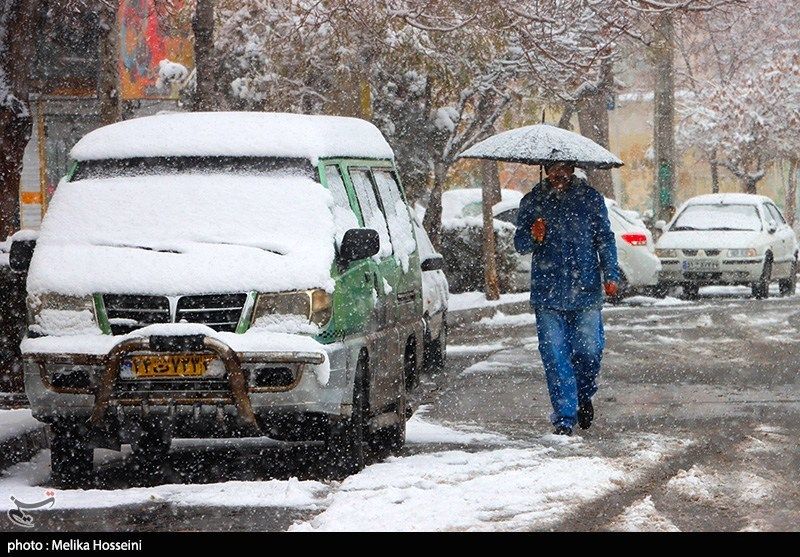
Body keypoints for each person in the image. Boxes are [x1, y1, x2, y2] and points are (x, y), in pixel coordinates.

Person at [514, 162, 620, 436]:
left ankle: (583, 395)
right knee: (554, 356)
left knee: (589, 352)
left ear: (572, 169)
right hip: (547, 294)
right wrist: (533, 235)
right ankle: (564, 417)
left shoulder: (590, 199)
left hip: (585, 291)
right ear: (546, 169)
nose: (558, 174)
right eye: (553, 169)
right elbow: (520, 244)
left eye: (563, 168)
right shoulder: (533, 201)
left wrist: (610, 273)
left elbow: (604, 238)